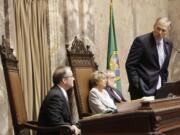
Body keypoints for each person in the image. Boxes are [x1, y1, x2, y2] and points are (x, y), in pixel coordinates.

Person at [126, 17, 172, 100]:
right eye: (158, 28)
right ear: (154, 26)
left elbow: (164, 68)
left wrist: (164, 84)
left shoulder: (169, 44)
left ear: (168, 31)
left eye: (163, 30)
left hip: (159, 89)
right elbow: (130, 65)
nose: (159, 32)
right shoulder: (141, 41)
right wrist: (137, 85)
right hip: (142, 89)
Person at [37, 66, 80, 135]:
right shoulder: (55, 95)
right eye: (71, 76)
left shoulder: (59, 92)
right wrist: (73, 128)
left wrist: (74, 126)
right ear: (64, 80)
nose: (74, 79)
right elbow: (56, 122)